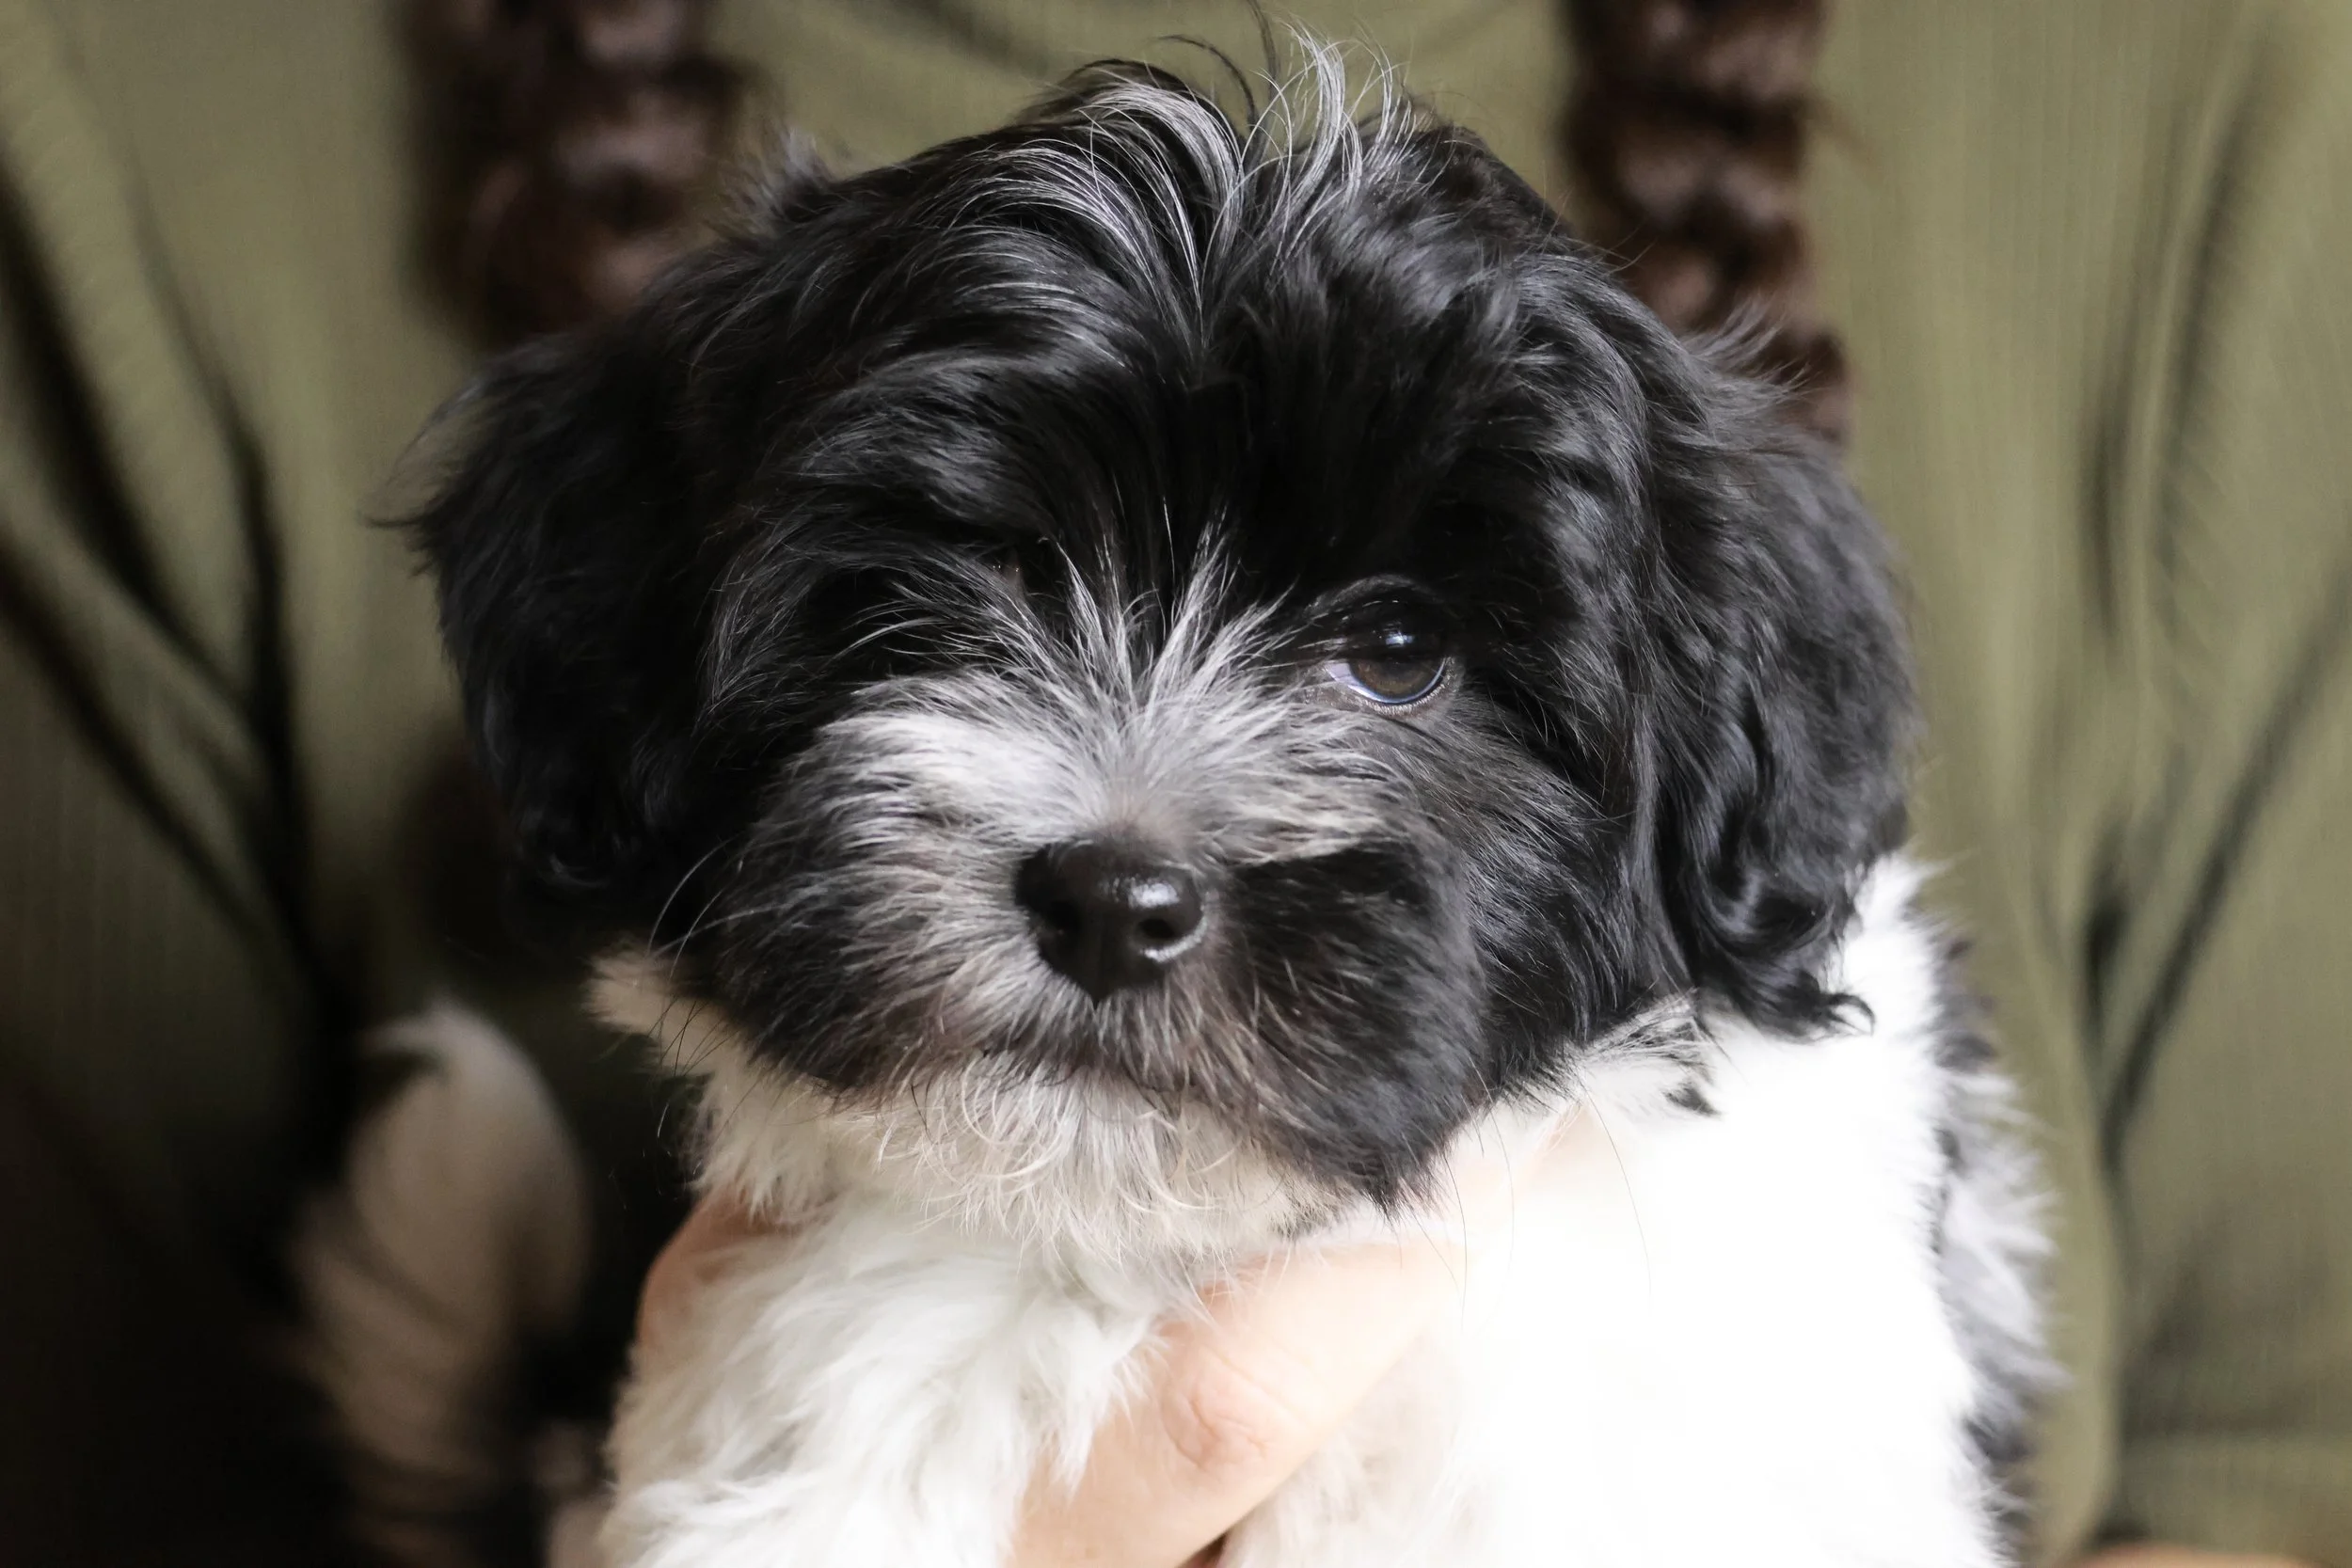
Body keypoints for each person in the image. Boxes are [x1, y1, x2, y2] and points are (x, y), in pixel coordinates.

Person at [2, 1, 2346, 1565]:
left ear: (1683, 750)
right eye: (930, 598)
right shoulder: (128, 113)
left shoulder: (2197, 93)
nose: (1127, 837)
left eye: (1395, 651)